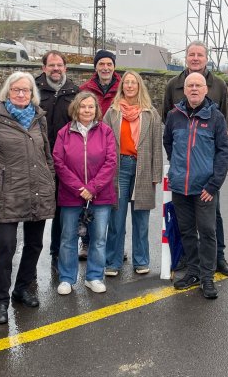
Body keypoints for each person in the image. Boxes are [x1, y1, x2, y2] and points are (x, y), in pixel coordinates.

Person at [0, 72, 55, 324]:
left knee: (35, 244)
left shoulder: (39, 118)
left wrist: (51, 181)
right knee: (5, 246)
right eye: (16, 90)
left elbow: (47, 153)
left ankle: (23, 288)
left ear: (32, 93)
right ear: (7, 92)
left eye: (25, 90)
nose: (21, 94)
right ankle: (0, 301)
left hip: (39, 189)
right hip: (8, 192)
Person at [162, 40, 228, 278]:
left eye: (200, 55)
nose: (195, 58)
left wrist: (213, 171)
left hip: (209, 168)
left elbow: (221, 124)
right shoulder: (173, 85)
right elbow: (169, 124)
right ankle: (189, 263)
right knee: (185, 221)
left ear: (206, 58)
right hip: (184, 168)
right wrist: (180, 160)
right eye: (191, 55)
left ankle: (218, 259)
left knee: (212, 219)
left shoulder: (219, 85)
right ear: (186, 57)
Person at [53, 92, 117, 295]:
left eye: (91, 107)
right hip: (71, 195)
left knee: (98, 238)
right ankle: (66, 278)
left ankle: (94, 276)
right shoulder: (64, 132)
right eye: (83, 106)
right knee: (68, 237)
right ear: (75, 108)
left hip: (100, 195)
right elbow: (59, 162)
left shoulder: (105, 132)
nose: (87, 110)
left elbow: (111, 162)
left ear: (96, 110)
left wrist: (93, 188)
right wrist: (79, 188)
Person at [102, 71, 163, 276]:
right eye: (126, 83)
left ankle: (141, 261)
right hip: (119, 169)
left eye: (133, 83)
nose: (129, 86)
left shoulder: (150, 113)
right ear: (122, 87)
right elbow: (103, 144)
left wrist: (156, 175)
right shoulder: (112, 112)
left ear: (139, 86)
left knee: (141, 221)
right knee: (116, 219)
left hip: (142, 168)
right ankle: (113, 262)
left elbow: (156, 145)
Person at [34, 51, 79, 271]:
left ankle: (57, 254)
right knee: (38, 210)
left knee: (63, 211)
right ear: (44, 68)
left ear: (65, 68)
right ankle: (31, 259)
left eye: (59, 65)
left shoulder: (74, 91)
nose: (55, 68)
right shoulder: (33, 90)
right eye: (51, 65)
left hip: (65, 161)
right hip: (38, 160)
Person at [77, 50, 122, 260]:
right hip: (90, 147)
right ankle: (86, 243)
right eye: (101, 64)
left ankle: (113, 247)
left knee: (113, 203)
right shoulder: (85, 89)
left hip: (116, 146)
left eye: (109, 64)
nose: (105, 68)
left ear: (114, 66)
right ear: (96, 67)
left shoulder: (123, 89)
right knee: (89, 200)